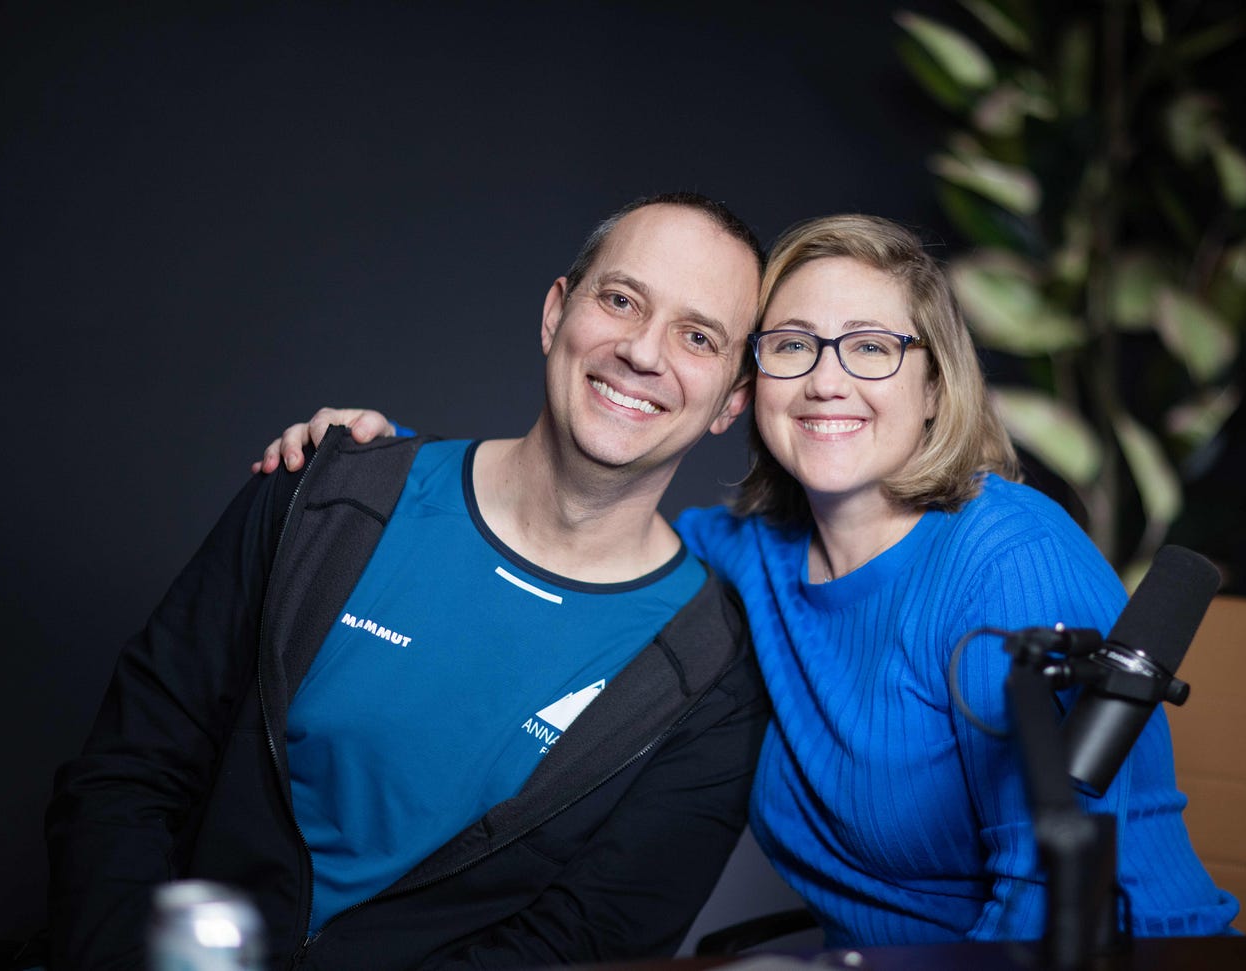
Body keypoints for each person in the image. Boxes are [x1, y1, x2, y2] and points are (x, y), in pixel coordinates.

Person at [267, 213, 1239, 948]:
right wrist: (394, 472)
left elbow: (1050, 898)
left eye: (871, 346)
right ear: (747, 385)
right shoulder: (743, 556)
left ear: (935, 384)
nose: (826, 380)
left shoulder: (1009, 560)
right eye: (791, 344)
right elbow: (575, 524)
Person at [46, 192, 771, 971]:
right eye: (621, 299)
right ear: (555, 312)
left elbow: (584, 944)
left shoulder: (710, 673)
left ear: (731, 400)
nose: (644, 351)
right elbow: (126, 779)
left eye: (699, 336)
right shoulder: (326, 498)